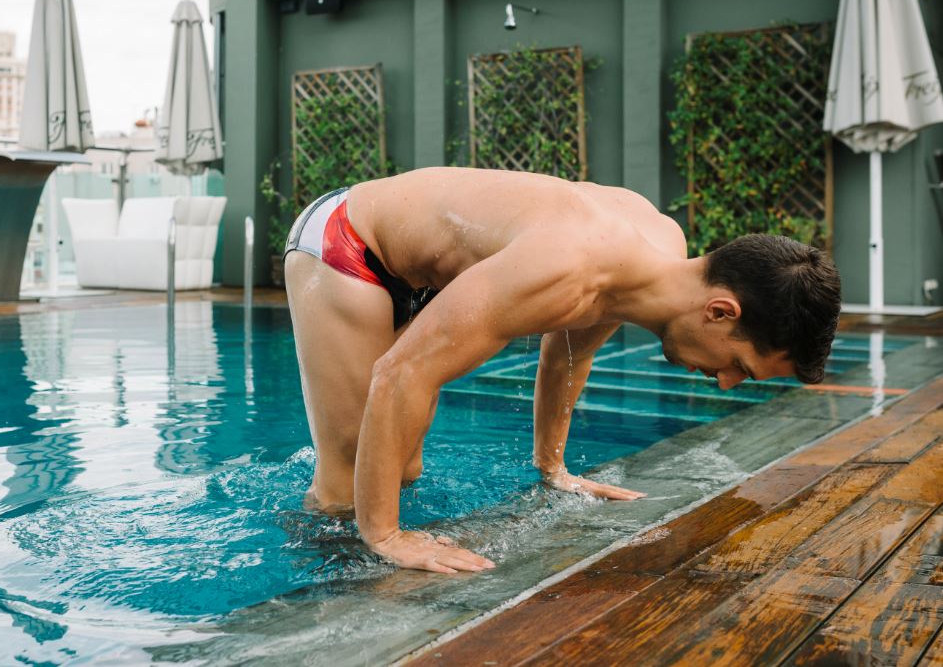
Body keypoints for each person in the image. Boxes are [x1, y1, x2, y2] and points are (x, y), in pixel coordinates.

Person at [283, 167, 841, 574]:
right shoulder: (569, 265)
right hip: (349, 242)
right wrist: (388, 536)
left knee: (398, 471)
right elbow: (399, 375)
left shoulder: (656, 254)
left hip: (419, 271)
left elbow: (567, 351)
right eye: (739, 366)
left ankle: (357, 537)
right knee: (351, 469)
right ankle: (309, 597)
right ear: (721, 311)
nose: (724, 382)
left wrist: (554, 470)